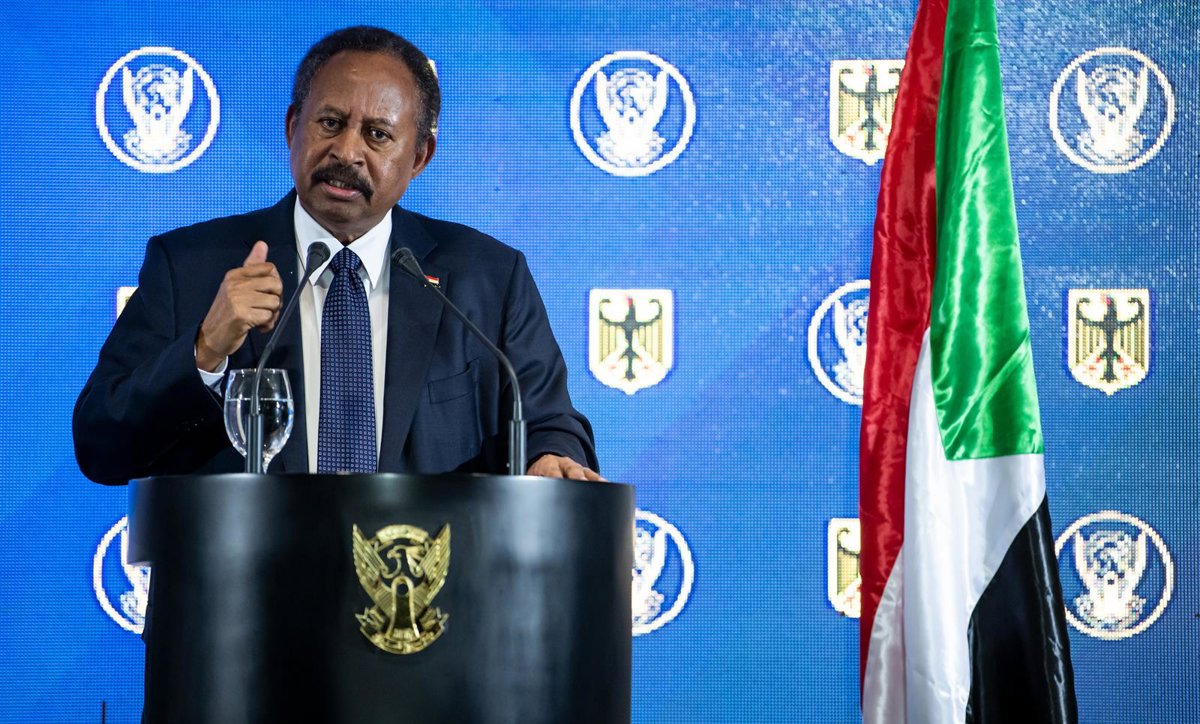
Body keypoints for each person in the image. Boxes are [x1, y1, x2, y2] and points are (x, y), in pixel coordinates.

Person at [73, 26, 600, 483]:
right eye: (329, 123)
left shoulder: (488, 278)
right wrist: (205, 350)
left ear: (419, 157)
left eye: (377, 134)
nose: (347, 151)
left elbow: (548, 422)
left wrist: (550, 458)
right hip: (248, 570)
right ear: (292, 128)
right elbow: (101, 446)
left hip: (425, 568)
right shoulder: (191, 266)